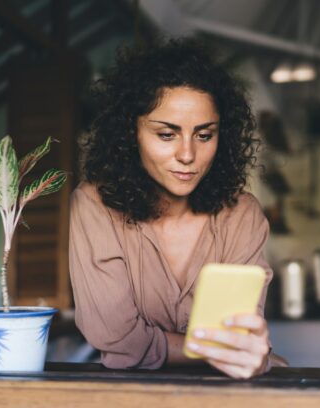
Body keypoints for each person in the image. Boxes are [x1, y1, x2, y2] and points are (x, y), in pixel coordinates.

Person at [68, 39, 278, 379]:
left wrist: (242, 351)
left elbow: (237, 339)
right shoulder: (95, 206)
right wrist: (232, 353)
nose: (187, 155)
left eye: (204, 135)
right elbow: (117, 341)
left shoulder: (242, 214)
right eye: (167, 134)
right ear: (130, 133)